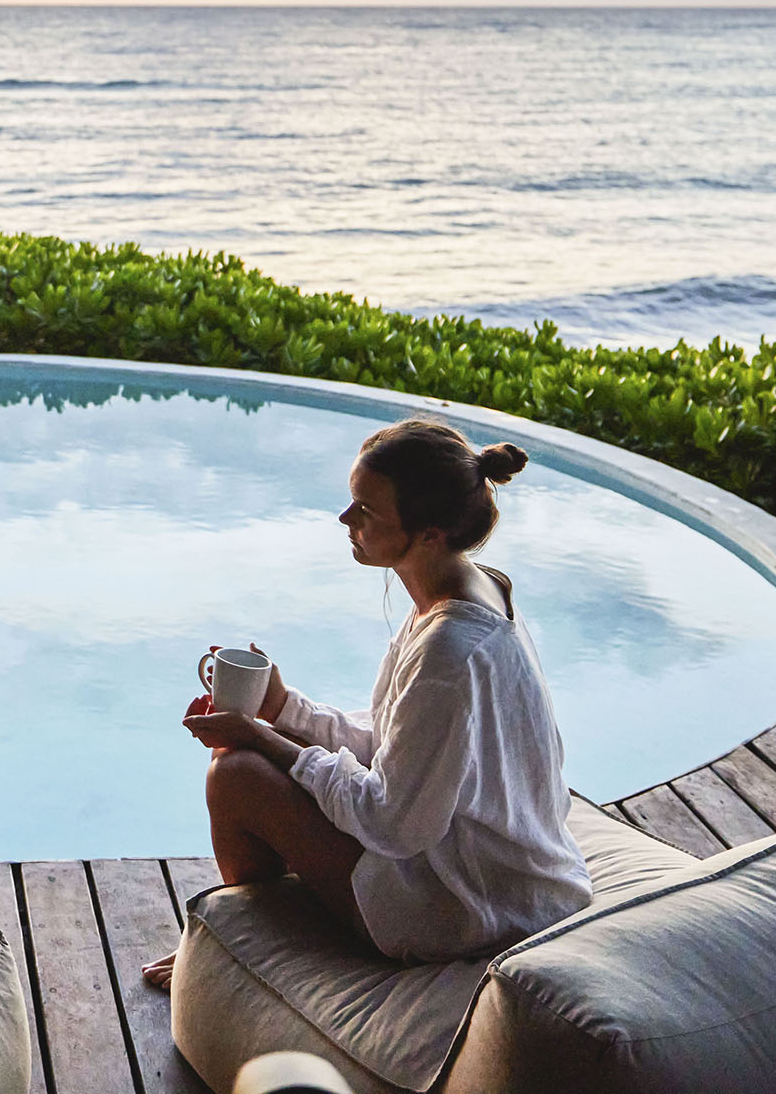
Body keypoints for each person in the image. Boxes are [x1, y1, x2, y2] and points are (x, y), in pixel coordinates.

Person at [144, 418, 590, 987]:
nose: (345, 519)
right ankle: (240, 933)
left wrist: (264, 738)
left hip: (470, 910)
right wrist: (284, 710)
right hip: (505, 874)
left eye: (366, 510)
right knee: (257, 748)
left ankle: (230, 945)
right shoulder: (474, 587)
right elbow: (397, 741)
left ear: (429, 532)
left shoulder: (449, 650)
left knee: (234, 772)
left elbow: (393, 823)